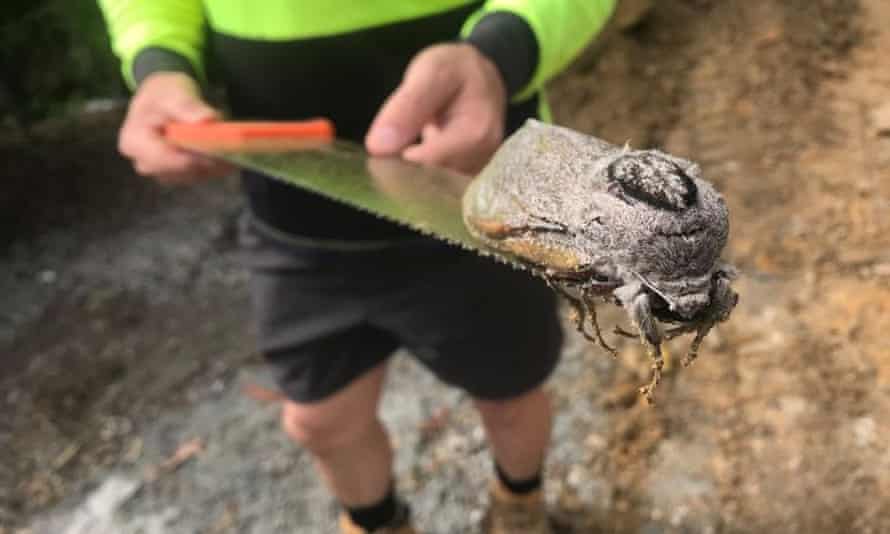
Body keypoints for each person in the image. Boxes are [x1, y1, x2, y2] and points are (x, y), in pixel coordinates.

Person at [98, 1, 616, 532]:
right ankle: (376, 521)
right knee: (321, 421)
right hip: (294, 220)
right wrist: (159, 65)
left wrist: (499, 52)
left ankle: (519, 507)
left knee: (512, 391)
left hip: (480, 201)